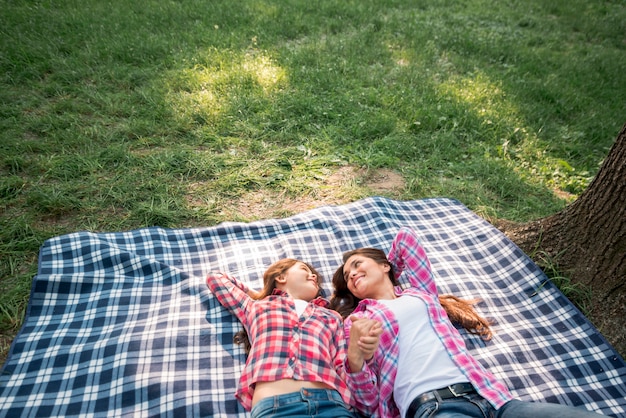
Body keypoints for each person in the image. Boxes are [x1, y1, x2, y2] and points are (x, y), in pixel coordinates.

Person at [331, 227, 606, 418]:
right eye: (347, 275)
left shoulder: (422, 292)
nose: (352, 274)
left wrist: (389, 269)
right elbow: (367, 405)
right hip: (436, 406)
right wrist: (356, 359)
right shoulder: (358, 321)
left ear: (385, 265)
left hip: (495, 399)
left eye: (357, 264)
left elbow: (406, 239)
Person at [206, 258, 380, 418]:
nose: (313, 276)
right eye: (305, 269)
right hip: (276, 408)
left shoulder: (331, 317)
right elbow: (216, 279)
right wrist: (259, 295)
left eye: (316, 278)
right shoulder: (256, 307)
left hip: (332, 406)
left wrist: (361, 357)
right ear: (281, 277)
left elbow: (343, 369)